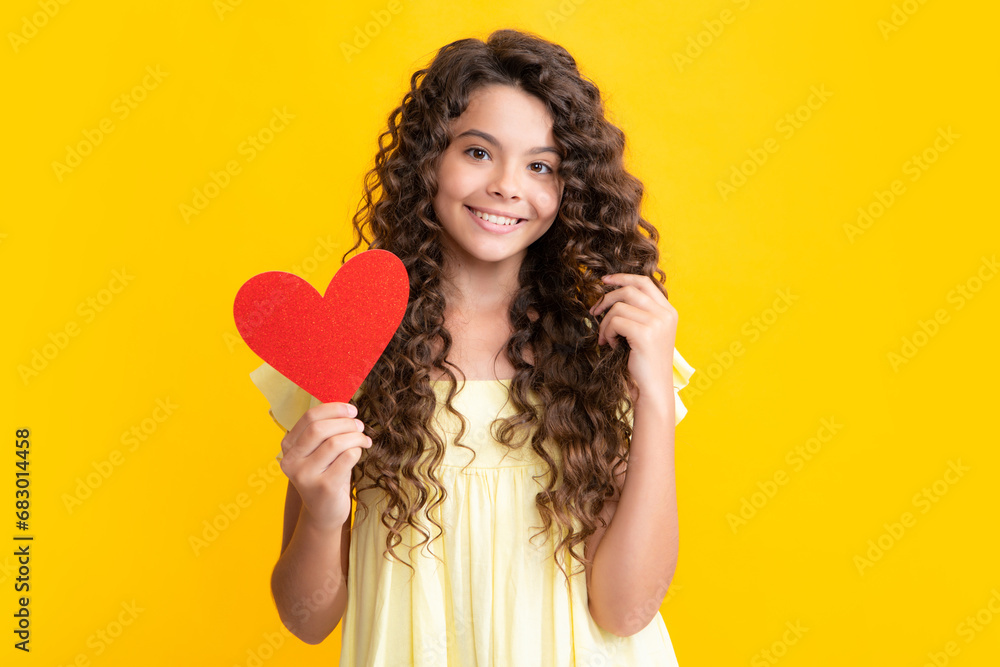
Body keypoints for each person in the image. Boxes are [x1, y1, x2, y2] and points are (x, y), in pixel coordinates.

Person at [250, 28, 696, 666]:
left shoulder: (605, 349)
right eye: (479, 152)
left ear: (569, 188)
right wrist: (323, 512)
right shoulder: (345, 345)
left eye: (541, 165)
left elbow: (626, 610)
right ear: (429, 159)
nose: (509, 186)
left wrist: (652, 391)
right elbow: (306, 617)